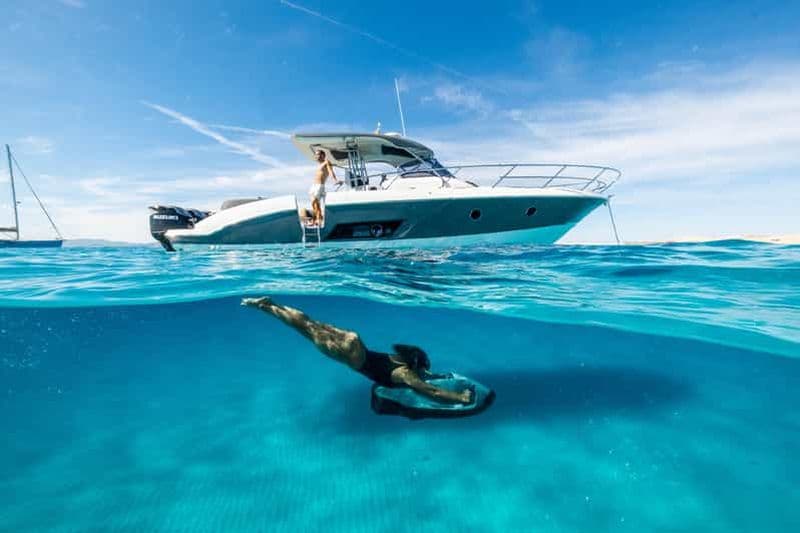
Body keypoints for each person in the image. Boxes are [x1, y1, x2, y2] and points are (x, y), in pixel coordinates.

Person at [242, 296, 472, 404]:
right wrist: (459, 397)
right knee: (307, 330)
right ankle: (267, 307)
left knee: (310, 324)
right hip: (351, 355)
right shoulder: (406, 374)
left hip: (356, 343)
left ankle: (270, 305)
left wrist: (435, 375)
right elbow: (430, 392)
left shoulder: (401, 359)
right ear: (416, 366)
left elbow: (425, 377)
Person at [309, 150, 342, 226]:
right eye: (316, 155)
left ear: (323, 155)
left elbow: (331, 171)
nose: (317, 156)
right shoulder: (319, 165)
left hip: (319, 186)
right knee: (314, 204)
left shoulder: (327, 162)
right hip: (313, 186)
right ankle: (317, 220)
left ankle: (319, 220)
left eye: (318, 155)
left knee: (315, 202)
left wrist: (335, 180)